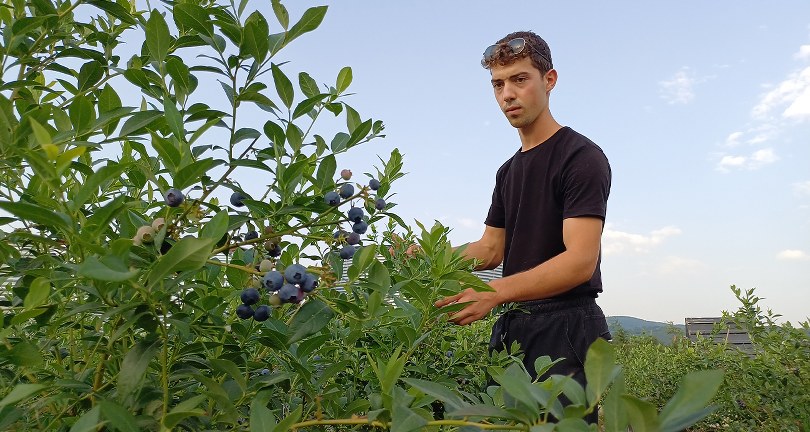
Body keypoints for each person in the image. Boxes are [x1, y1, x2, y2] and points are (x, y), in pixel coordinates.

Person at [432, 31, 612, 424]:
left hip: (567, 329)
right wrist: (431, 258)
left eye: (519, 79)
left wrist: (495, 293)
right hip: (515, 328)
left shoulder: (581, 157)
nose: (507, 94)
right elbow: (491, 249)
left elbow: (580, 261)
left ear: (549, 80)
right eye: (498, 84)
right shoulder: (508, 171)